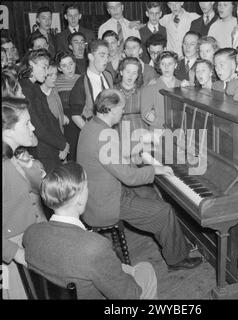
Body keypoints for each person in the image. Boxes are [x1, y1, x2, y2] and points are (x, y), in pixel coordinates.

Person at [77, 89, 203, 272]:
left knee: (151, 194)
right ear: (110, 109)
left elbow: (111, 156)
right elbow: (129, 177)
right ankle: (177, 259)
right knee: (165, 210)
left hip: (100, 192)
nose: (123, 112)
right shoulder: (104, 136)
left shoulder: (93, 126)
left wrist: (135, 152)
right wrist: (155, 169)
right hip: (107, 202)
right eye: (121, 108)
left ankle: (175, 241)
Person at [23, 161, 158, 299]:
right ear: (80, 198)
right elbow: (130, 295)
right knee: (146, 269)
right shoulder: (95, 247)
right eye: (87, 186)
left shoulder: (30, 233)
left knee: (126, 269)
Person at [2, 97, 46, 299]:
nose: (33, 127)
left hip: (28, 240)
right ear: (8, 130)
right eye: (27, 123)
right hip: (12, 254)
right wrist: (17, 254)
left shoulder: (14, 156)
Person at [19, 49, 69, 173]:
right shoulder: (25, 89)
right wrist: (62, 145)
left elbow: (50, 119)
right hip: (42, 152)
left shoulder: (33, 87)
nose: (46, 73)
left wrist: (62, 143)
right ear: (31, 64)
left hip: (50, 148)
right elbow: (38, 127)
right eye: (44, 67)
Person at [69, 39, 113, 145]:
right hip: (95, 136)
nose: (106, 60)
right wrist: (91, 133)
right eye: (102, 55)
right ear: (90, 57)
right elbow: (75, 114)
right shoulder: (81, 82)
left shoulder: (108, 75)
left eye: (107, 56)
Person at [114, 57, 148, 159]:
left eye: (134, 73)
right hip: (118, 131)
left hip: (140, 131)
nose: (130, 76)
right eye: (127, 71)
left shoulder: (143, 90)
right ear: (121, 72)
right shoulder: (112, 90)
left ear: (138, 75)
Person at [141, 51, 181, 129]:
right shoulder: (150, 88)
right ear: (159, 66)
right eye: (163, 64)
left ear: (175, 65)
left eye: (170, 64)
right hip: (158, 131)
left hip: (181, 132)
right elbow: (145, 114)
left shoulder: (183, 86)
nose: (166, 67)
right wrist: (164, 125)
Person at [55, 51, 80, 161]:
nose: (69, 68)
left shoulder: (83, 78)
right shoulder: (55, 81)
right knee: (71, 152)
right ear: (59, 68)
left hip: (82, 117)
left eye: (71, 64)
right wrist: (61, 114)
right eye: (64, 66)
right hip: (66, 121)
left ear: (75, 63)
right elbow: (52, 102)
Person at [40, 61, 69, 135]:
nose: (55, 78)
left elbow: (56, 107)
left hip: (59, 131)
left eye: (56, 74)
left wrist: (61, 116)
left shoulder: (54, 89)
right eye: (50, 75)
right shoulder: (38, 95)